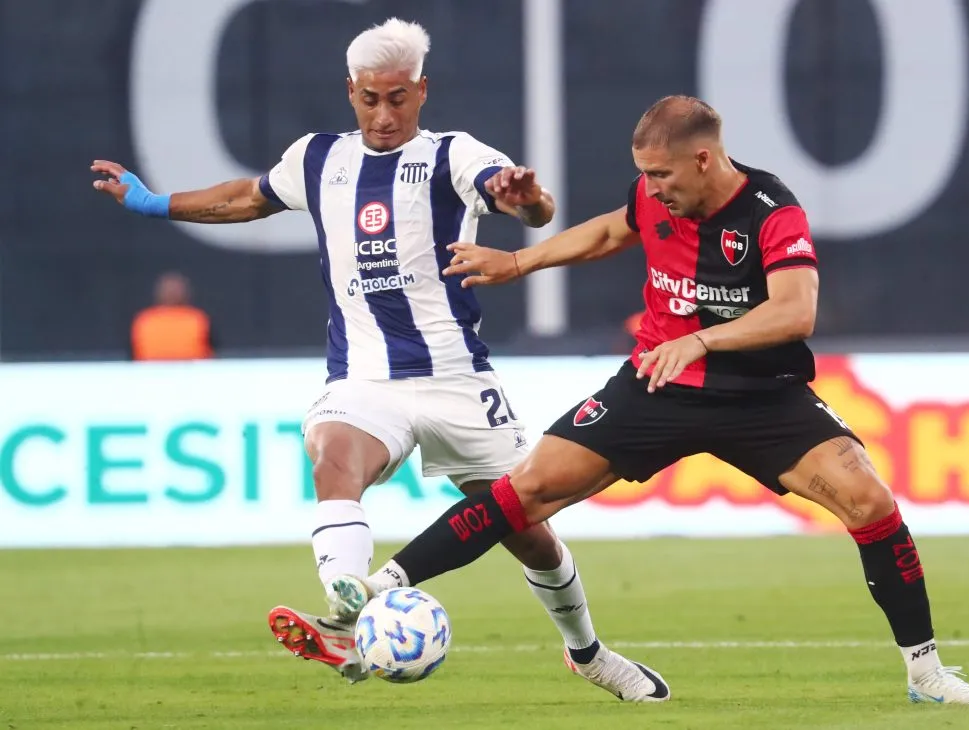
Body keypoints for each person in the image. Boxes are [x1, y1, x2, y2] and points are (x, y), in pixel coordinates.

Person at [327, 95, 969, 705]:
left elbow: (796, 312)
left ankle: (926, 672)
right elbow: (611, 230)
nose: (651, 190)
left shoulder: (772, 212)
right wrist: (518, 262)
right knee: (523, 491)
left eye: (662, 175)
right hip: (656, 387)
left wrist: (703, 341)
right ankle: (380, 587)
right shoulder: (655, 199)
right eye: (643, 176)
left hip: (763, 396)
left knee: (870, 501)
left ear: (703, 159)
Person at [91, 18, 669, 701]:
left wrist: (528, 199)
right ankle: (347, 613)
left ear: (422, 91)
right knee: (334, 454)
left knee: (529, 534)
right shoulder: (318, 159)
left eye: (398, 98)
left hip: (458, 379)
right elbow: (247, 198)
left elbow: (532, 209)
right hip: (365, 380)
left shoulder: (454, 154)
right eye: (370, 99)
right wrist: (154, 202)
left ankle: (589, 653)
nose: (385, 113)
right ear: (350, 92)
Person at [130, 271, 215, 361]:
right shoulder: (144, 320)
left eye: (176, 289)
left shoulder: (198, 318)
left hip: (193, 372)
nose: (172, 292)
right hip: (150, 372)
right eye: (168, 289)